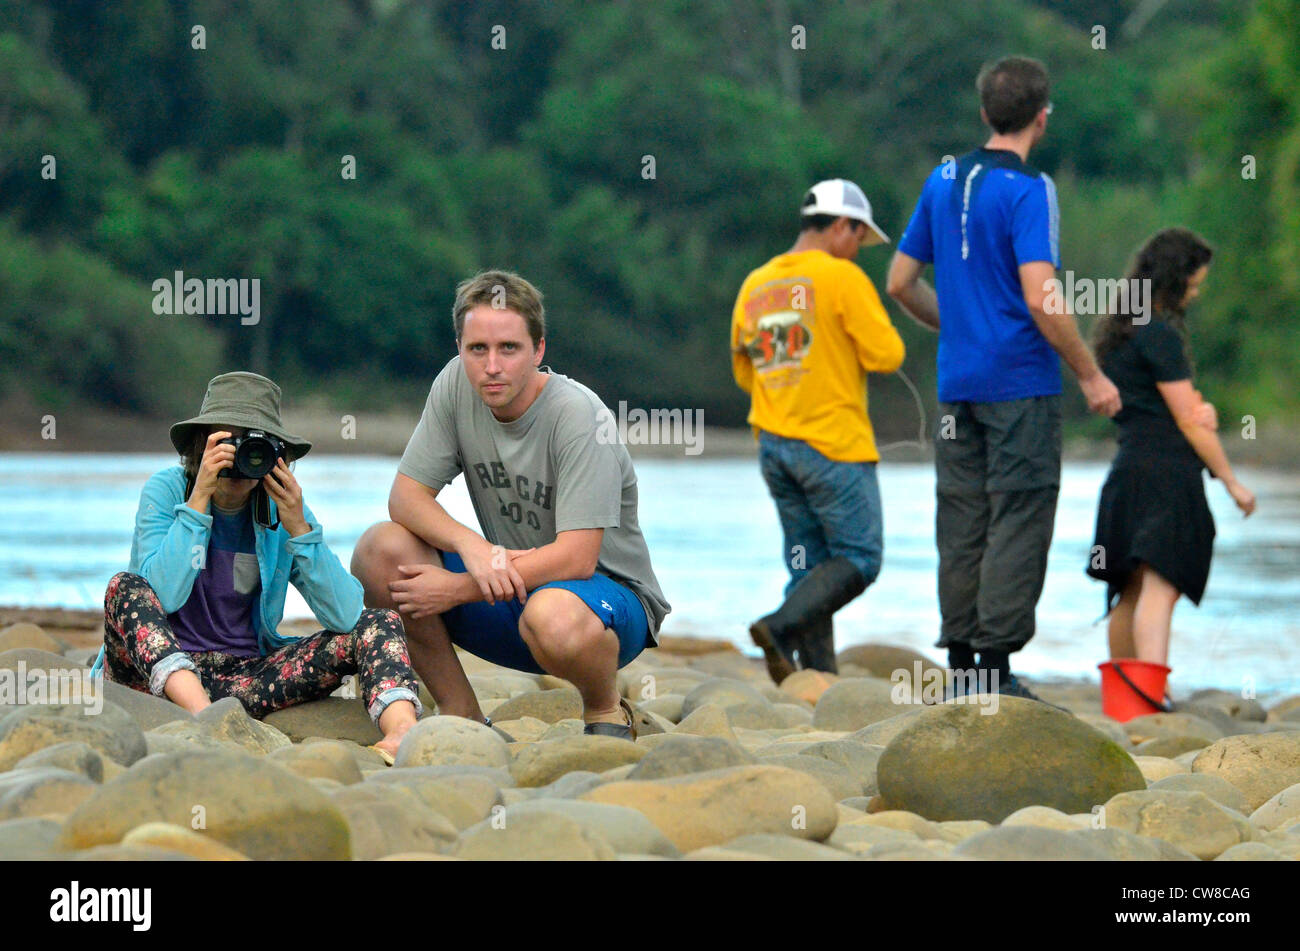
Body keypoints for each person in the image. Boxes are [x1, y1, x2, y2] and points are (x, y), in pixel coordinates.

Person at [886, 56, 1122, 700]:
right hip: (1020, 383)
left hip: (956, 385)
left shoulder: (941, 178)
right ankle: (995, 663)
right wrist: (1091, 375)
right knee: (1020, 513)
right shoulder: (1030, 189)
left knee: (961, 516)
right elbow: (1043, 296)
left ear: (984, 113)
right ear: (1041, 119)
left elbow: (900, 282)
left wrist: (958, 323)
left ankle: (962, 661)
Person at [350, 270, 670, 741]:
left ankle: (605, 708)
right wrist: (473, 547)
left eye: (509, 349)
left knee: (552, 614)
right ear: (460, 347)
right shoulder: (455, 386)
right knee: (381, 550)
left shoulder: (579, 416)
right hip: (510, 593)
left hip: (604, 601)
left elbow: (577, 558)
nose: (492, 366)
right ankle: (463, 714)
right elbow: (406, 496)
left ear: (539, 351)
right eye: (477, 349)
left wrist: (460, 587)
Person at [96, 372, 422, 760]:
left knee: (378, 622)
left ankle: (404, 731)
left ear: (276, 456)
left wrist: (300, 529)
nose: (238, 458)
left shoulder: (280, 510)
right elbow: (159, 594)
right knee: (125, 587)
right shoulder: (168, 490)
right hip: (151, 680)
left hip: (243, 679)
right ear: (200, 445)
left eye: (253, 446)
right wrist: (199, 499)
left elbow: (347, 613)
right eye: (227, 443)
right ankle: (204, 718)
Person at [731, 179, 905, 684]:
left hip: (774, 445)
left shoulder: (756, 284)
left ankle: (819, 676)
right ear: (840, 226)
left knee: (810, 566)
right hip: (833, 442)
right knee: (860, 557)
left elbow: (746, 369)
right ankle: (777, 626)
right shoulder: (841, 278)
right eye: (859, 237)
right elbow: (887, 355)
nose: (858, 249)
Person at [1088, 228, 1255, 669]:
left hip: (1128, 470)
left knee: (1128, 590)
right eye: (1194, 283)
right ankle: (1151, 694)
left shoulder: (1121, 332)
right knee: (1161, 591)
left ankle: (1124, 703)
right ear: (1173, 279)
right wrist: (1232, 481)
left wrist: (1201, 409)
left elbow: (1169, 406)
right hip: (1167, 474)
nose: (1196, 293)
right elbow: (1187, 421)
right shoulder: (1159, 334)